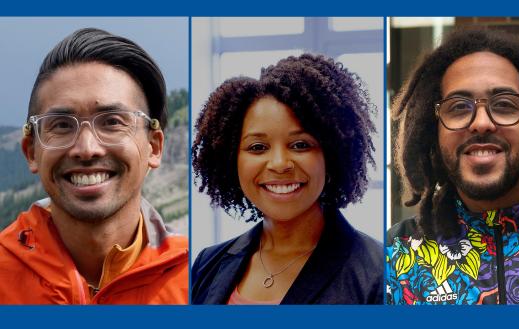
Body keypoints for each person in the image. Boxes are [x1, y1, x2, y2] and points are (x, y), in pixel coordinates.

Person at [0, 28, 188, 304]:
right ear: (31, 151)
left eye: (112, 122)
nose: (87, 149)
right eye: (62, 125)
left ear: (154, 147)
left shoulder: (199, 281)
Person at [387, 29, 519, 305]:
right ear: (433, 133)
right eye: (459, 107)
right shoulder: (391, 259)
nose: (482, 123)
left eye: (504, 105)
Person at [191, 53, 383, 304]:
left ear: (332, 153)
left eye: (301, 145)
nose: (280, 164)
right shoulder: (208, 264)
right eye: (258, 147)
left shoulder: (379, 273)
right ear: (231, 159)